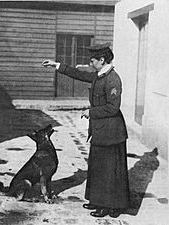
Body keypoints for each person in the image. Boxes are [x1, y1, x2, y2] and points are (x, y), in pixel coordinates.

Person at [42, 42, 130, 218]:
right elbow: (79, 74)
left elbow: (112, 108)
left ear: (102, 60)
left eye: (92, 60)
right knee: (98, 167)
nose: (90, 64)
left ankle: (108, 206)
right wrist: (57, 65)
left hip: (112, 133)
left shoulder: (113, 79)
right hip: (101, 130)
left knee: (108, 169)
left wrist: (90, 112)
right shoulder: (100, 75)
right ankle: (98, 201)